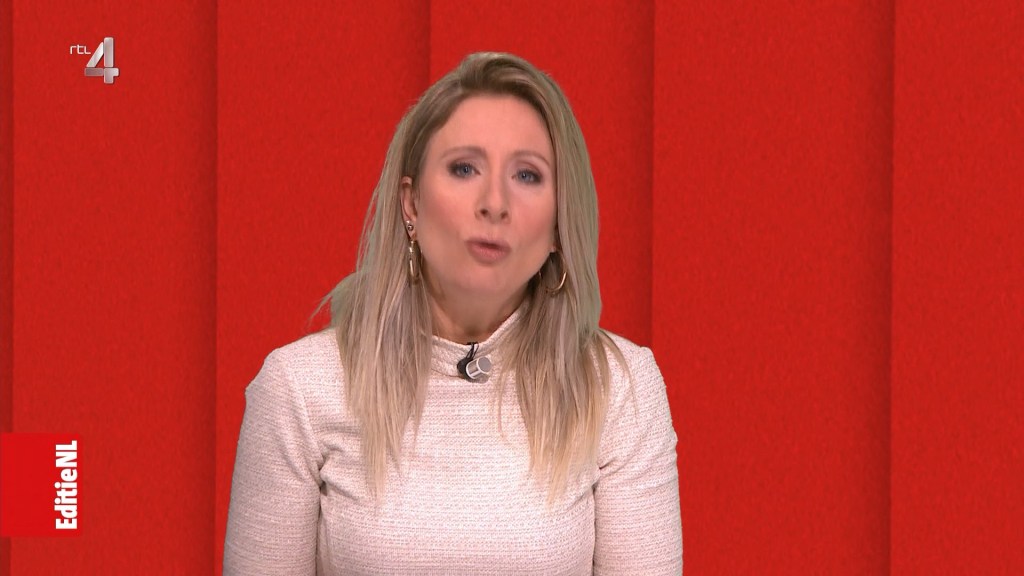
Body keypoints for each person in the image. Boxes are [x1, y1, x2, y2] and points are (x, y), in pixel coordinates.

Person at [224, 52, 682, 575]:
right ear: (411, 204)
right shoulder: (299, 389)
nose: (494, 202)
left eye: (527, 175)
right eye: (464, 168)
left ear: (559, 224)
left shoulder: (620, 388)